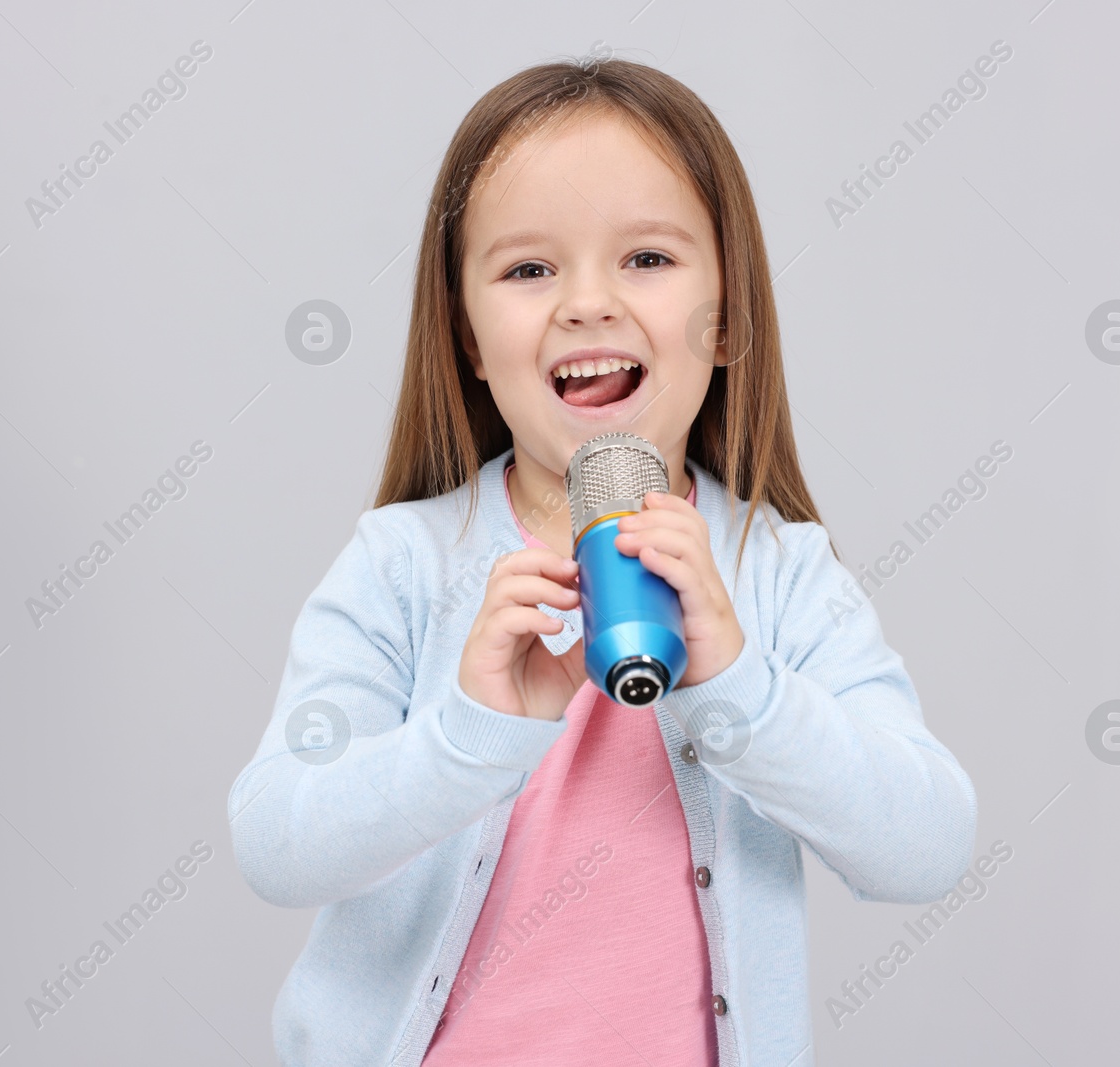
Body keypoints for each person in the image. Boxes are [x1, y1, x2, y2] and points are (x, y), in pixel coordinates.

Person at [228, 53, 977, 1067]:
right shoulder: (402, 562)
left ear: (728, 320)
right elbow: (278, 841)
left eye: (647, 259)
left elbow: (925, 845)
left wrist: (741, 688)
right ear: (467, 339)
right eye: (529, 269)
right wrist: (471, 733)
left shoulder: (778, 571)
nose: (587, 303)